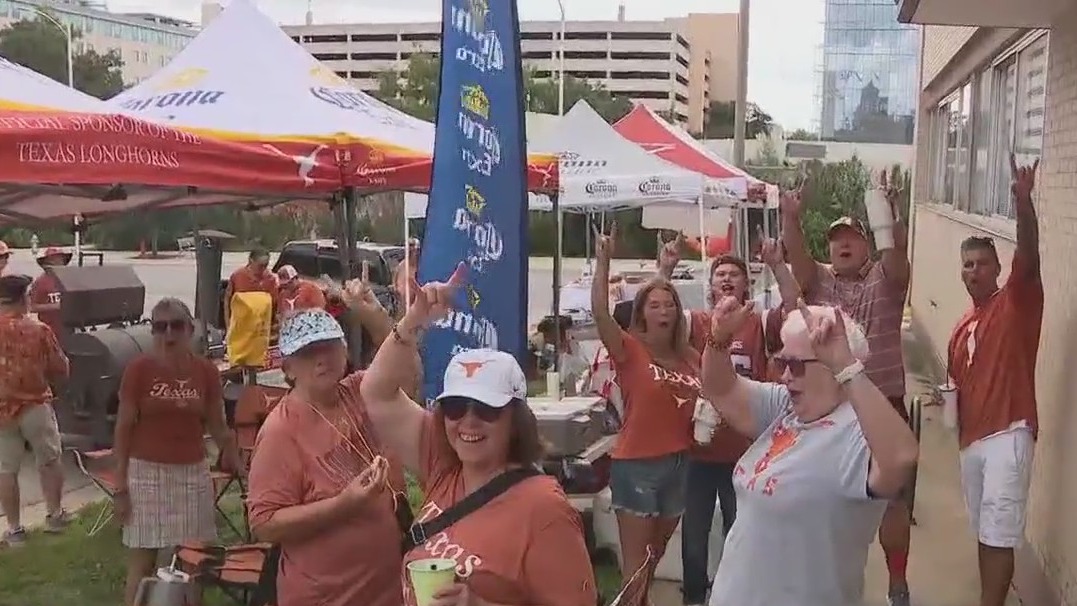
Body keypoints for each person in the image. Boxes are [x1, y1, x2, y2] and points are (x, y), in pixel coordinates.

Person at [359, 264, 597, 606]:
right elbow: (376, 392)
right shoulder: (444, 463)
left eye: (486, 410)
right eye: (455, 407)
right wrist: (414, 322)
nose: (468, 422)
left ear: (514, 420)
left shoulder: (543, 508)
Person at [702, 298, 919, 606]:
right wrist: (718, 339)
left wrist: (847, 367)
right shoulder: (786, 408)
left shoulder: (857, 432)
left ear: (834, 366)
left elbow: (901, 458)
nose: (785, 376)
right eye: (781, 363)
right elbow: (721, 389)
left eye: (796, 365)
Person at [781, 179, 914, 606]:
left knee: (892, 501)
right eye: (836, 239)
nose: (843, 245)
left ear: (866, 246)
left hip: (883, 405)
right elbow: (798, 259)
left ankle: (897, 581)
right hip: (834, 411)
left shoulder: (885, 281)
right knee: (827, 495)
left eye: (852, 238)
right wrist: (790, 216)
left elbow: (896, 259)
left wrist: (888, 220)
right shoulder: (820, 282)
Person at [247, 297, 404, 606]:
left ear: (345, 351)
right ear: (288, 367)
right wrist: (343, 505)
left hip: (386, 589)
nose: (322, 358)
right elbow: (264, 524)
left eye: (329, 346)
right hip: (324, 596)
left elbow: (405, 369)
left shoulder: (359, 391)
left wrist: (375, 317)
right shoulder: (282, 431)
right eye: (307, 352)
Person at [655, 237, 775, 606]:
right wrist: (666, 270)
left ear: (746, 284)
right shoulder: (698, 322)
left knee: (740, 533)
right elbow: (658, 315)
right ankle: (694, 597)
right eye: (720, 274)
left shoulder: (760, 323)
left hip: (744, 451)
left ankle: (736, 595)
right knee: (694, 533)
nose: (726, 279)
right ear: (709, 286)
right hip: (700, 451)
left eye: (734, 275)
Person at [946, 156, 1042, 606]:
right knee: (985, 534)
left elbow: (1030, 254)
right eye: (967, 264)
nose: (973, 271)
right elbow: (958, 386)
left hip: (1009, 432)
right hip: (971, 441)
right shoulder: (962, 326)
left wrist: (1024, 204)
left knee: (1000, 535)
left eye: (982, 263)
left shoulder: (1017, 300)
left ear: (998, 267)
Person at [591, 223, 698, 598]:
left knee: (652, 561)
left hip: (679, 465)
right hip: (637, 465)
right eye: (654, 306)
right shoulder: (630, 350)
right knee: (636, 569)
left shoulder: (690, 359)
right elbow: (600, 315)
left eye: (669, 304)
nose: (663, 310)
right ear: (642, 314)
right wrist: (603, 261)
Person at [111, 298, 241, 606]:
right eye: (160, 327)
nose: (168, 334)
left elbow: (218, 424)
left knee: (193, 560)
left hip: (192, 472)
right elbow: (123, 427)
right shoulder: (138, 370)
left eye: (176, 326)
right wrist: (120, 485)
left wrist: (235, 455)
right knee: (143, 560)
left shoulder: (206, 372)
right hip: (146, 472)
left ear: (190, 329)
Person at [0, 274, 71, 546]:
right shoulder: (38, 330)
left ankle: (14, 529)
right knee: (49, 459)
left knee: (7, 469)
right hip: (35, 405)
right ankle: (54, 516)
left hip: (2, 409)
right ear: (24, 298)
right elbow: (61, 368)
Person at [223, 247, 278, 329]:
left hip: (261, 328)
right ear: (251, 261)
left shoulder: (271, 279)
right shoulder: (238, 276)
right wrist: (228, 325)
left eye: (265, 265)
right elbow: (227, 301)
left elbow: (275, 305)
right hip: (240, 325)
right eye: (260, 266)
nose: (263, 269)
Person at [29, 246, 71, 339]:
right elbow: (32, 307)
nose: (58, 262)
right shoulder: (40, 282)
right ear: (46, 263)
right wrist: (55, 306)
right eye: (54, 260)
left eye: (61, 260)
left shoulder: (69, 280)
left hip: (68, 329)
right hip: (49, 330)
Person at [392, 237, 421, 310]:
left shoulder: (421, 267)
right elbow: (394, 280)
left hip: (414, 305)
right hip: (401, 303)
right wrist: (395, 290)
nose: (409, 249)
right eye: (408, 246)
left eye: (412, 246)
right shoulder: (401, 265)